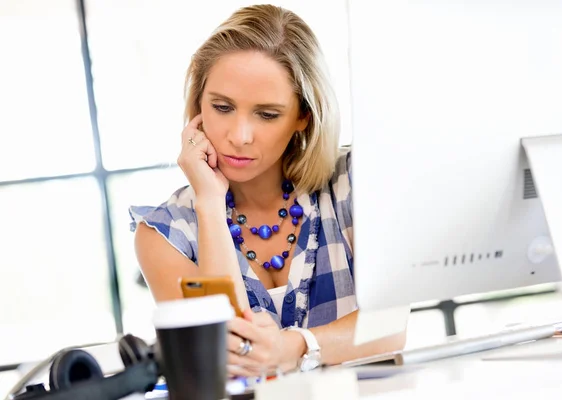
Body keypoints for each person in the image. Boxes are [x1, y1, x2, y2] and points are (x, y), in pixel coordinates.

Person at [130, 4, 405, 377]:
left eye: (267, 114)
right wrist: (209, 203)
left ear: (303, 116)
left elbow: (391, 325)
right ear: (197, 105)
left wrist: (296, 347)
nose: (239, 137)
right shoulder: (164, 235)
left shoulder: (352, 183)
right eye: (222, 107)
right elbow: (226, 361)